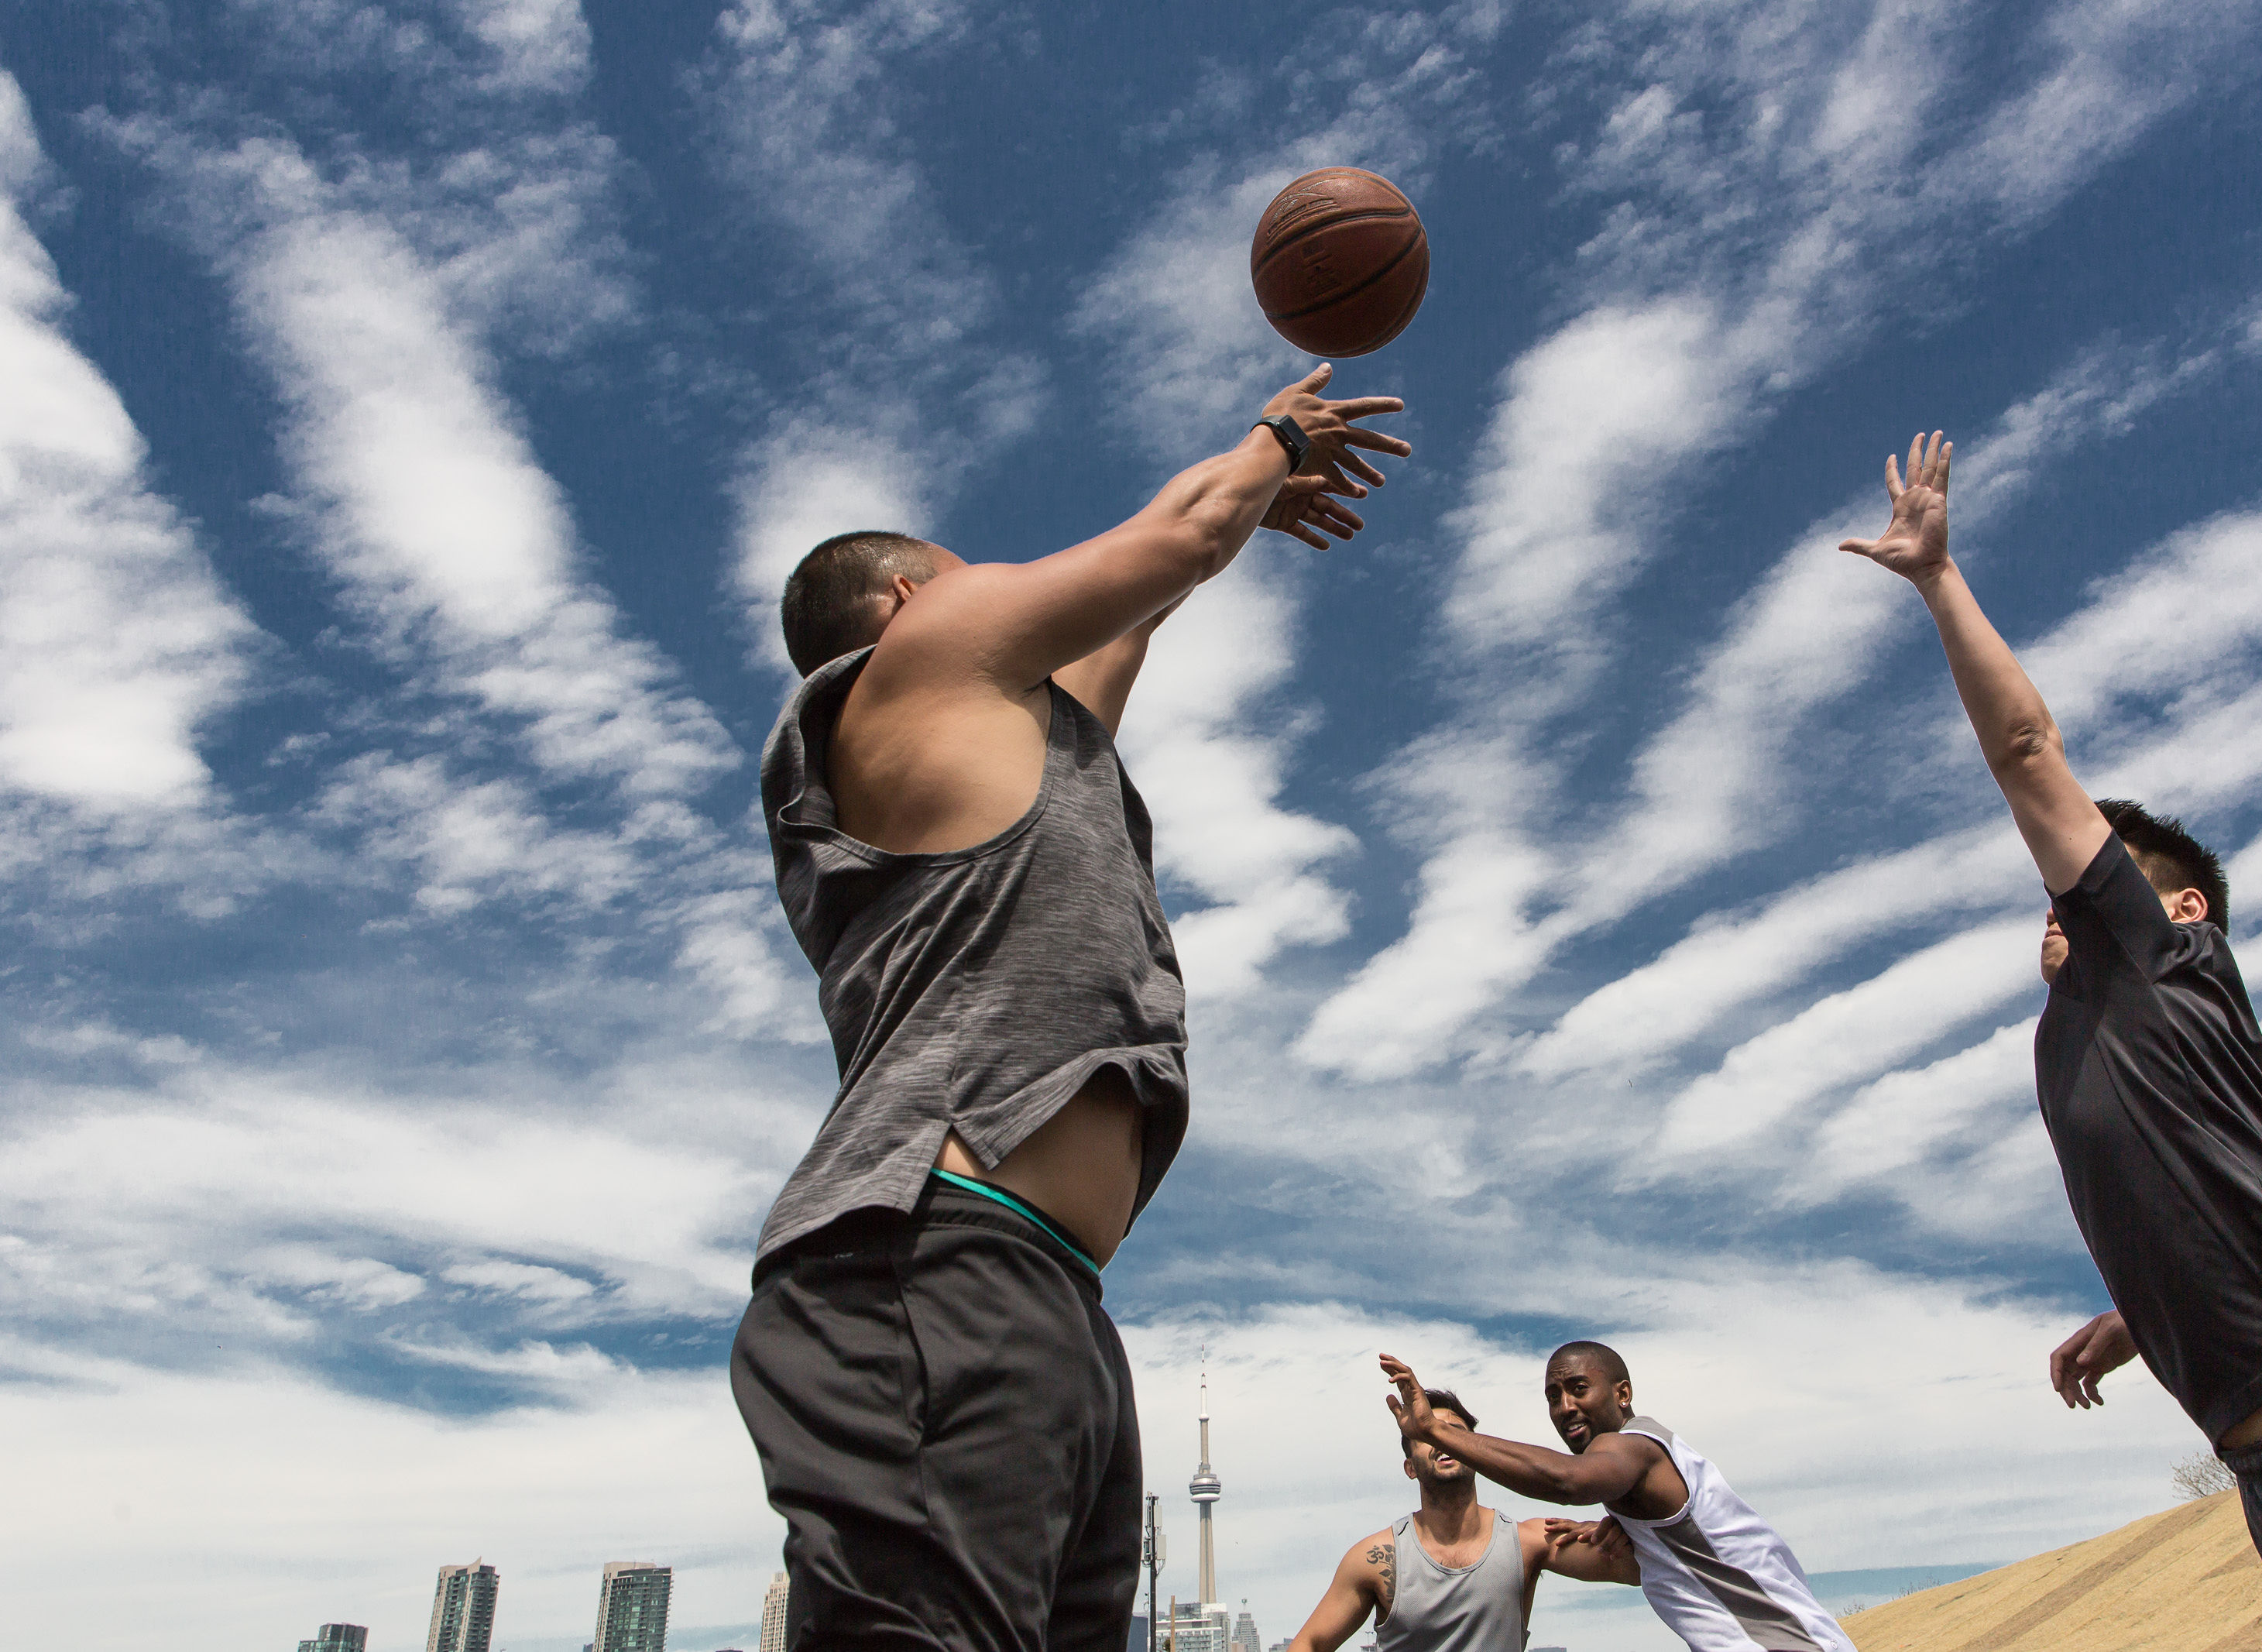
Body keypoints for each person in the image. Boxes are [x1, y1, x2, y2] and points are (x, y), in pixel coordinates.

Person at [730, 364, 1410, 1652]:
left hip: (1047, 1289)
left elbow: (1136, 610)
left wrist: (1231, 527)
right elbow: (1169, 539)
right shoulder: (920, 656)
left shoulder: (1002, 734)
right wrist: (1273, 442)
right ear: (910, 597)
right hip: (930, 1260)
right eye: (972, 573)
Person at [1842, 433, 2262, 1650]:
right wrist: (2136, 1314)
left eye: (2090, 879)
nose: (2059, 897)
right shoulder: (2124, 1036)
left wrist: (1937, 578)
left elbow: (2028, 754)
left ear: (2176, 909)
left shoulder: (2165, 959)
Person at [1381, 1347, 1855, 1652]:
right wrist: (1628, 1530)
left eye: (1578, 1389)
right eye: (1553, 1396)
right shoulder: (1644, 1467)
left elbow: (1569, 1482)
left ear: (1622, 1392)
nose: (1565, 1407)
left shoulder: (1633, 1445)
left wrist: (1434, 1430)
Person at [1289, 1386, 1640, 1652]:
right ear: (1410, 1467)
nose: (1443, 1441)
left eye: (1454, 1433)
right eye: (1426, 1435)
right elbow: (1309, 1643)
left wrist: (1620, 1530)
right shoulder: (1375, 1558)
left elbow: (1639, 1569)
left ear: (1477, 1452)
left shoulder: (1531, 1542)